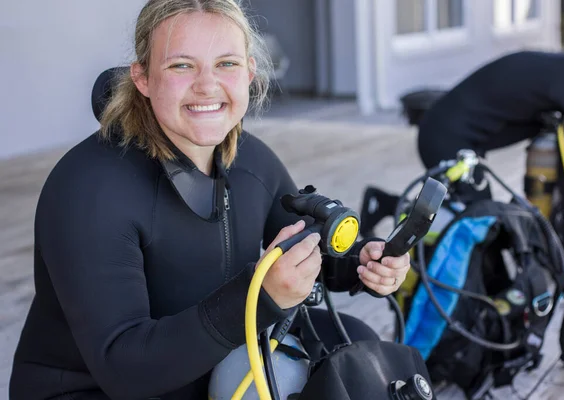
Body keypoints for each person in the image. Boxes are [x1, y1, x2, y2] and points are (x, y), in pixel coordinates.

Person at [9, 1, 411, 399]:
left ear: (249, 73)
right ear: (143, 78)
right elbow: (124, 369)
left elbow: (303, 247)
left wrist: (362, 263)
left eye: (227, 64)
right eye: (181, 65)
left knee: (355, 347)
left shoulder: (250, 160)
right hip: (97, 388)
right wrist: (263, 297)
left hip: (206, 366)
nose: (206, 85)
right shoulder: (90, 189)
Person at [417, 37, 564, 202]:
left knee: (461, 215)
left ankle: (390, 205)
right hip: (447, 139)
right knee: (480, 223)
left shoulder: (563, 68)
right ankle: (392, 209)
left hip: (441, 131)